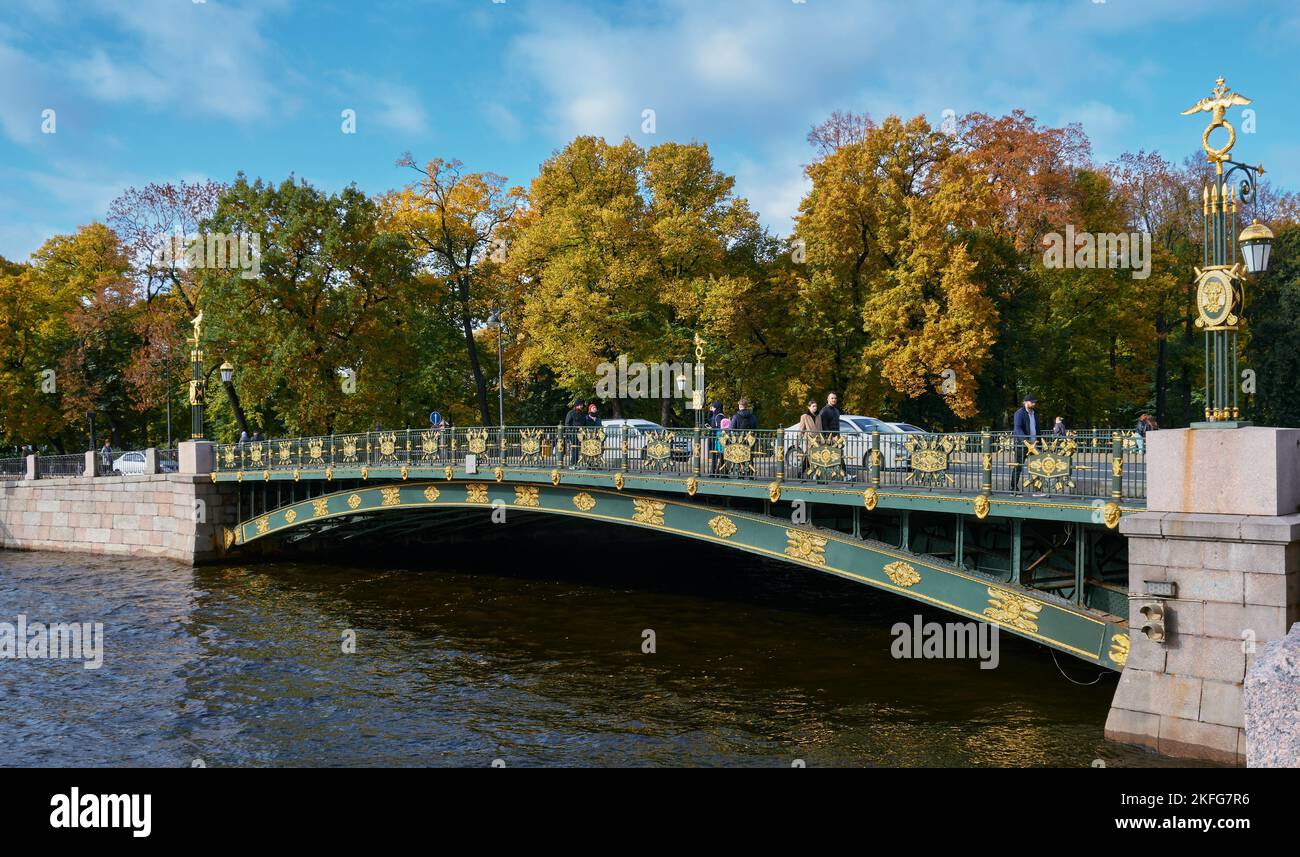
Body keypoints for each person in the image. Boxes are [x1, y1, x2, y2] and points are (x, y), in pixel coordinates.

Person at [1011, 394, 1040, 492]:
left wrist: (1040, 441)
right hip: (1022, 445)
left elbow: (1037, 429)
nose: (1034, 404)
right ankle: (1013, 488)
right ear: (1026, 402)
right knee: (1018, 467)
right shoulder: (1019, 413)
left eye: (1034, 402)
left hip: (1034, 445)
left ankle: (1037, 488)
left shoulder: (1035, 413)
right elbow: (1017, 428)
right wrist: (1025, 440)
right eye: (1032, 402)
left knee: (1036, 467)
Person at [797, 399, 818, 475]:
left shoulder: (818, 416)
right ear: (809, 407)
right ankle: (813, 474)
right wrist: (798, 441)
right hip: (810, 440)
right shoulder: (804, 416)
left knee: (811, 457)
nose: (815, 408)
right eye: (813, 406)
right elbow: (801, 429)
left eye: (816, 406)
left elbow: (821, 428)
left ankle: (802, 472)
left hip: (818, 440)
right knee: (810, 455)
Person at [563, 400, 586, 466]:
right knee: (575, 448)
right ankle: (573, 463)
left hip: (581, 433)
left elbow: (584, 423)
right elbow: (567, 424)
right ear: (576, 405)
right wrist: (570, 432)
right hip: (573, 433)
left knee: (582, 448)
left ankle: (581, 463)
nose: (581, 406)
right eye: (580, 405)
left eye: (582, 405)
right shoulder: (570, 413)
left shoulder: (582, 414)